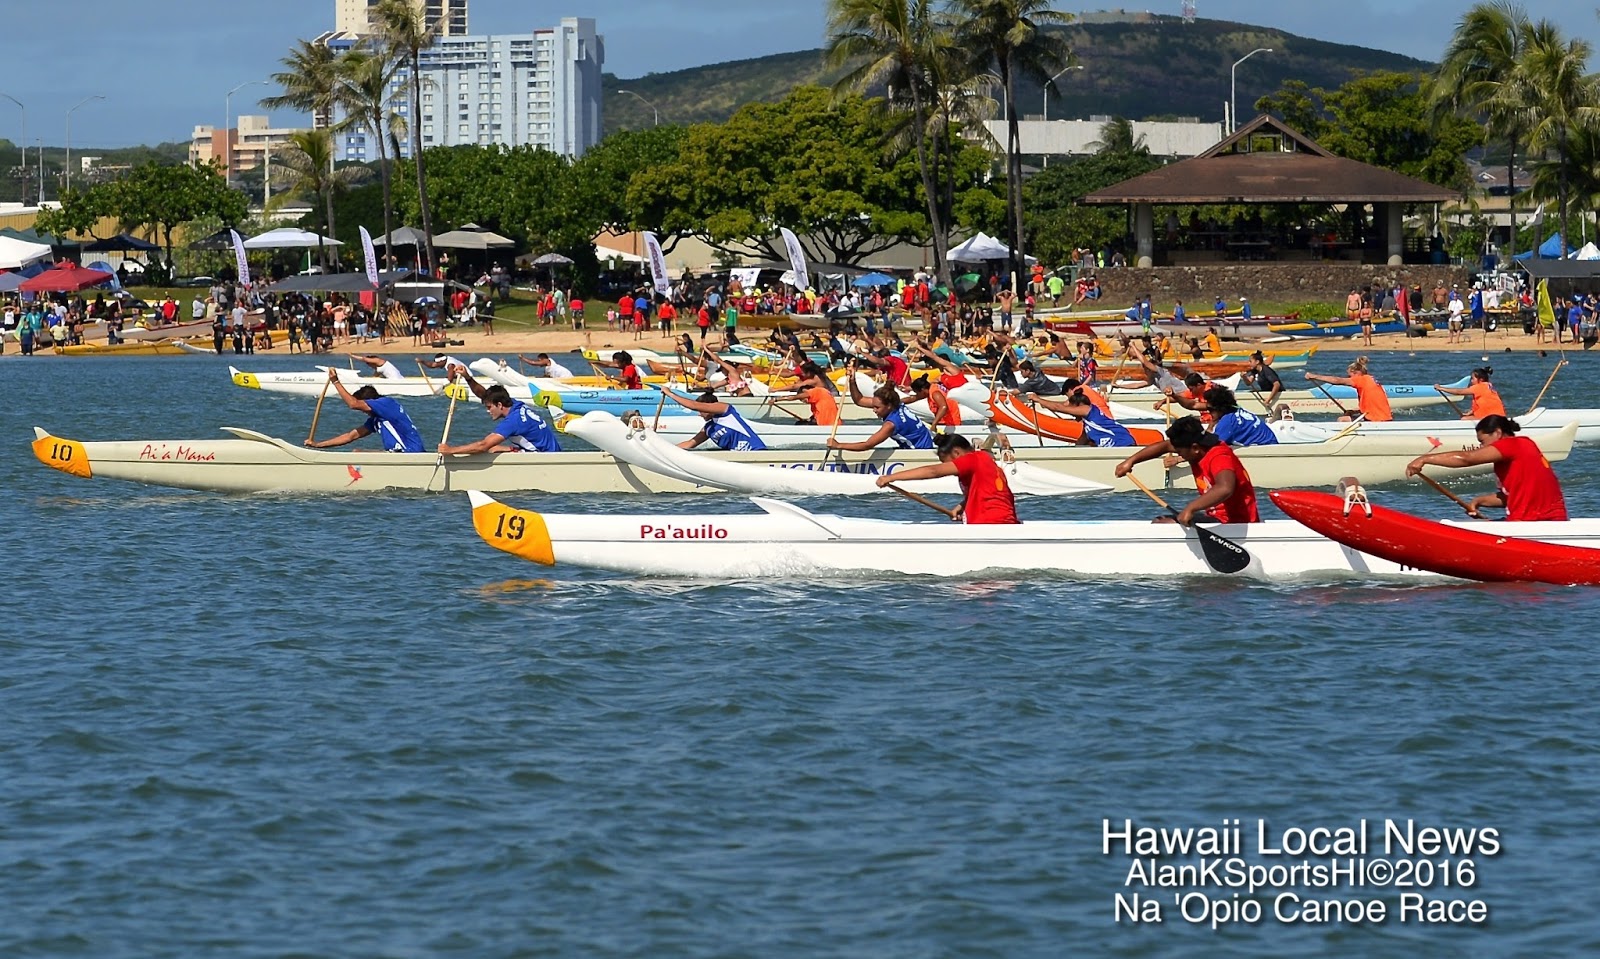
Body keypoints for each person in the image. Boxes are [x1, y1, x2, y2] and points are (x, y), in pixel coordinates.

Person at [1405, 414, 1566, 521]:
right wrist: (1479, 501)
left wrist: (1425, 459)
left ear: (1497, 433)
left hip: (1535, 522)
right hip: (1549, 520)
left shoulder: (1511, 445)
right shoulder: (1525, 445)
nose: (1481, 446)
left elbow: (1467, 459)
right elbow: (1512, 497)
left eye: (1482, 441)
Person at [1115, 416, 1260, 525]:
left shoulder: (1219, 456)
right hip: (1217, 520)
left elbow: (1225, 488)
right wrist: (1130, 461)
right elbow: (1165, 446)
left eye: (1179, 452)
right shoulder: (1196, 447)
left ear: (1195, 448)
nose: (1179, 455)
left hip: (1236, 524)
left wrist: (1191, 508)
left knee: (1162, 525)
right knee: (1160, 520)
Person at [874, 433, 1019, 524]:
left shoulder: (972, 459)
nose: (949, 467)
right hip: (1004, 521)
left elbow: (933, 471)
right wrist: (961, 507)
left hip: (990, 522)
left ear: (956, 453)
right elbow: (986, 493)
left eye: (947, 462)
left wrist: (892, 477)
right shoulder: (986, 463)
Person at [304, 368, 425, 452]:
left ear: (369, 401)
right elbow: (350, 436)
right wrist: (318, 445)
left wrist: (335, 381)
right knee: (357, 452)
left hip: (410, 453)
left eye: (363, 408)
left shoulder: (386, 403)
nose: (363, 411)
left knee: (358, 453)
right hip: (399, 454)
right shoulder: (377, 419)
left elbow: (353, 404)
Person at [439, 375, 562, 454]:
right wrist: (468, 378)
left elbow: (483, 445)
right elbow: (485, 395)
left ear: (499, 405)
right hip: (553, 453)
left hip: (544, 458)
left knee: (489, 447)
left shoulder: (512, 422)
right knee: (495, 448)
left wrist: (450, 450)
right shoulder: (515, 404)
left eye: (489, 408)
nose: (488, 411)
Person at [829, 372, 935, 451]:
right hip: (929, 443)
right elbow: (859, 400)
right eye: (873, 406)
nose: (874, 410)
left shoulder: (891, 424)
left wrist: (838, 445)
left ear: (888, 406)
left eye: (877, 407)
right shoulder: (898, 403)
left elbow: (867, 445)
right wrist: (852, 381)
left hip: (920, 452)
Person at [1028, 387, 1136, 447]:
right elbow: (1080, 443)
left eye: (1072, 409)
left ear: (1078, 406)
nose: (1072, 414)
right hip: (1118, 446)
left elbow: (1058, 407)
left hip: (1123, 444)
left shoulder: (1087, 409)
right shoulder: (1088, 425)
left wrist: (1038, 399)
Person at [666, 390, 769, 451]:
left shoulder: (726, 410)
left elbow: (693, 405)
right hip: (739, 460)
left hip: (757, 451)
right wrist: (665, 450)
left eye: (701, 410)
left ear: (708, 408)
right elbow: (690, 443)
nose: (699, 414)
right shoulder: (708, 428)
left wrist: (670, 394)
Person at [1305, 356, 1392, 422]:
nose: (1349, 378)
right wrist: (1354, 412)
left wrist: (1314, 376)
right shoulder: (1370, 379)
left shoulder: (1361, 379)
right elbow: (1372, 406)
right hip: (1385, 417)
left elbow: (1337, 380)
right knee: (1349, 416)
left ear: (1357, 373)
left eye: (1350, 376)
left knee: (1341, 420)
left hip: (1377, 418)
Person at [1203, 386, 1277, 446]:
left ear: (1220, 408)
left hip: (1265, 449)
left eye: (1210, 409)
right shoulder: (1239, 411)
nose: (1209, 412)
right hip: (1271, 443)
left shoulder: (1228, 421)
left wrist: (1209, 430)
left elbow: (1212, 446)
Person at [1434, 366, 1505, 420]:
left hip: (1490, 418)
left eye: (1473, 378)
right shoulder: (1488, 386)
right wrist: (1469, 413)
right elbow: (1483, 403)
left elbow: (1459, 392)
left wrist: (1441, 388)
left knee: (1464, 419)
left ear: (1481, 380)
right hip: (1499, 416)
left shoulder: (1479, 386)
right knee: (1466, 417)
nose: (1471, 381)